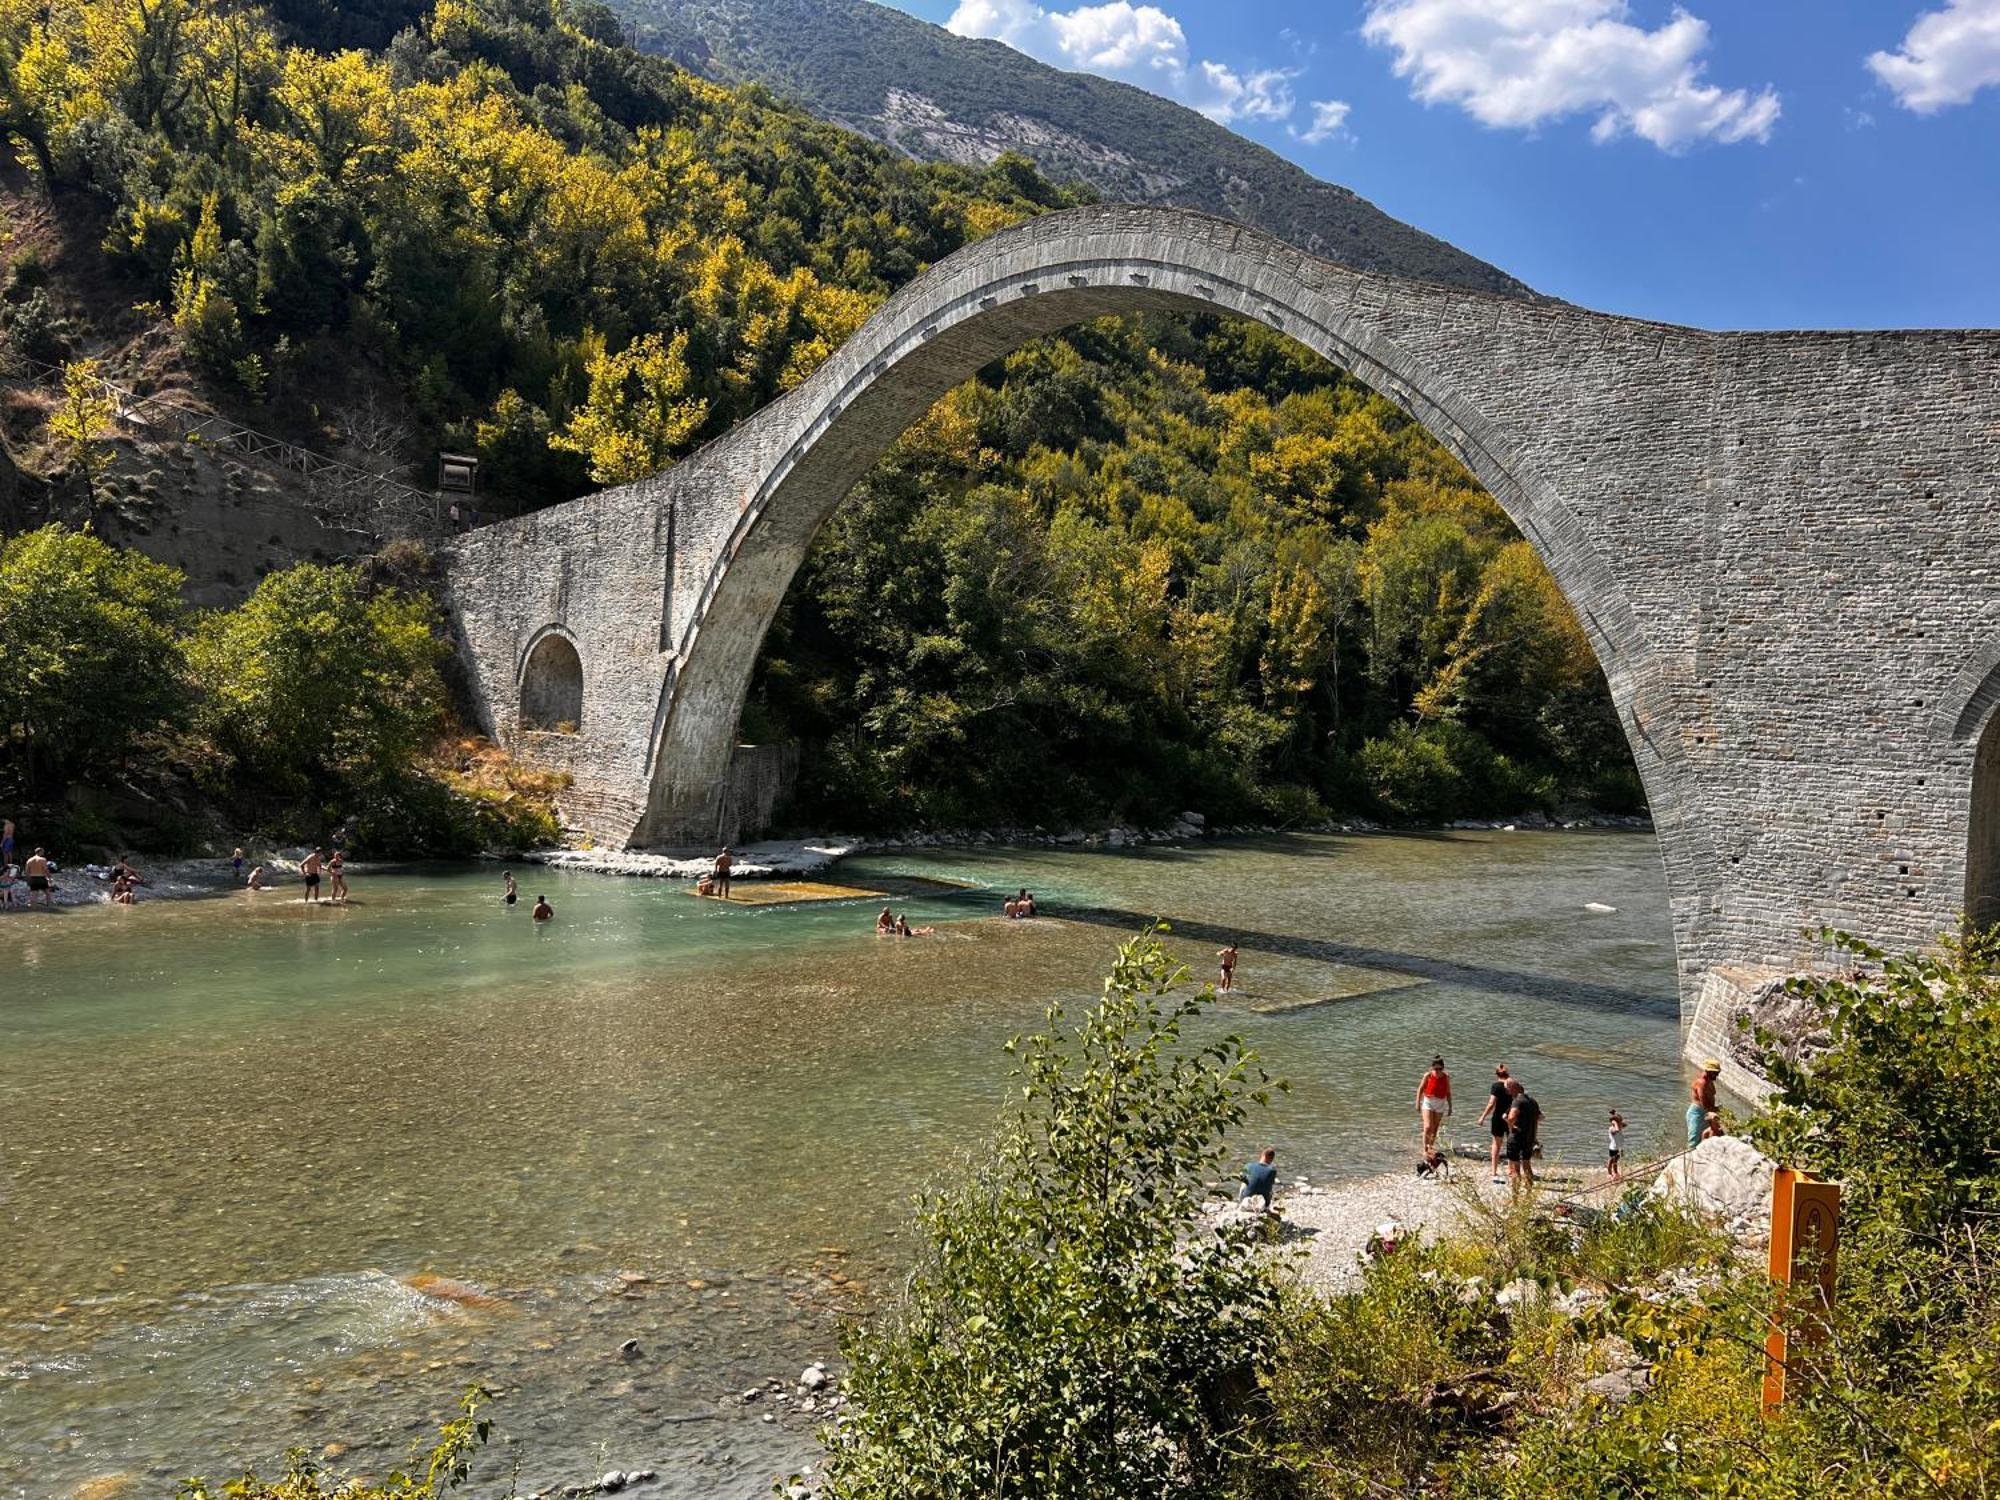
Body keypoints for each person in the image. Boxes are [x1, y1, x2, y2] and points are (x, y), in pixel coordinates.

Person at [1503, 1079, 1543, 1193]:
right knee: (1527, 1166)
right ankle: (1529, 1196)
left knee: (1515, 1169)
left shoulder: (1517, 1101)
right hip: (1529, 1138)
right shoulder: (1533, 1102)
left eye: (1508, 1089)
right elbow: (1541, 1118)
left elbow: (1511, 1117)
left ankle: (1515, 1199)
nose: (1507, 1092)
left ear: (1514, 1088)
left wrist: (1509, 1123)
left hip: (1516, 1138)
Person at [1475, 1064, 1513, 1184]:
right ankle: (1511, 1170)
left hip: (1498, 1117)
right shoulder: (1512, 1085)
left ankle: (1494, 1171)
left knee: (1496, 1144)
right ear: (1508, 1074)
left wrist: (1482, 1117)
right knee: (1511, 1143)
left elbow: (1491, 1104)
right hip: (1511, 1117)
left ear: (1497, 1075)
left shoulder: (1496, 1086)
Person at [1417, 1055, 1452, 1152]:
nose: (1438, 1071)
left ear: (1443, 1068)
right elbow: (1420, 1089)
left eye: (1440, 1069)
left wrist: (1450, 1107)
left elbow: (1448, 1092)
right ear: (1432, 1068)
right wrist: (1417, 1103)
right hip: (1428, 1102)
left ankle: (1430, 1148)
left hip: (1440, 1104)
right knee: (1428, 1126)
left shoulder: (1446, 1077)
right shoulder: (1428, 1076)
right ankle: (1425, 1150)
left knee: (1435, 1128)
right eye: (1436, 1069)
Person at [1688, 1059, 1721, 1150]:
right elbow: (1704, 1103)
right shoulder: (1701, 1083)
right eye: (1715, 1073)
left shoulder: (1710, 1082)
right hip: (1697, 1113)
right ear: (1709, 1071)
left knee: (1707, 1136)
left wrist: (1715, 1109)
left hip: (1707, 1112)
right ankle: (1689, 1159)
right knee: (1694, 1140)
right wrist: (1715, 1110)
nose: (1717, 1075)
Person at [1607, 1110, 1627, 1179]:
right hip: (1613, 1148)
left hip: (1619, 1147)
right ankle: (1610, 1173)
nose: (1620, 1123)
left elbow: (1625, 1124)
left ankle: (1615, 1173)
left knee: (1616, 1161)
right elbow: (1617, 1130)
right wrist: (1615, 1122)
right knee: (1612, 1161)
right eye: (1618, 1122)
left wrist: (1615, 1116)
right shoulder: (1612, 1129)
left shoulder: (1619, 1126)